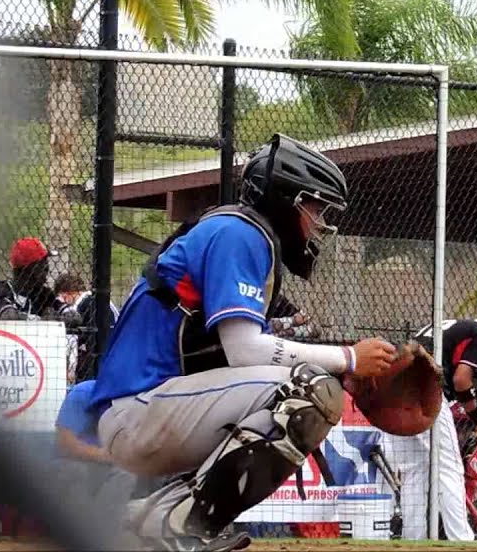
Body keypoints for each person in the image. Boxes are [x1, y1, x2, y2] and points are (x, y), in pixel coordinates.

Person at [87, 134, 399, 551]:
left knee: (315, 386)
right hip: (138, 412)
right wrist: (346, 358)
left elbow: (238, 355)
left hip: (148, 411)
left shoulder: (235, 230)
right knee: (312, 391)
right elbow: (245, 350)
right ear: (286, 200)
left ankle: (149, 520)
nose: (320, 222)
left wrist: (340, 369)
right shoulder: (240, 233)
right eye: (315, 206)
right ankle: (182, 528)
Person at [382, 305, 477, 540]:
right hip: (423, 391)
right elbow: (462, 380)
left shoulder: (453, 325)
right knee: (450, 468)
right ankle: (462, 539)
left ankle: (414, 540)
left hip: (392, 389)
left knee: (416, 470)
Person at [0, 237, 69, 321]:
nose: (47, 267)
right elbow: (10, 317)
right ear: (27, 268)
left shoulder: (43, 294)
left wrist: (59, 318)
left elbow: (73, 316)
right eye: (42, 262)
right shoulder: (1, 291)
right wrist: (42, 321)